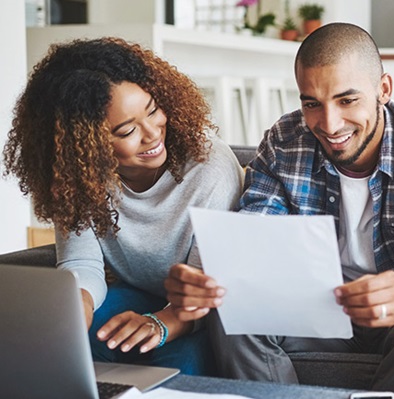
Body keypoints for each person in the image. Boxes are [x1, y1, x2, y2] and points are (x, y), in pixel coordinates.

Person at [164, 22, 394, 395]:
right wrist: (206, 281)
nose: (329, 124)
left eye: (347, 100)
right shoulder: (285, 142)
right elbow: (254, 238)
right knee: (229, 312)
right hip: (321, 313)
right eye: (311, 104)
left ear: (383, 89)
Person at [2, 37, 244, 375]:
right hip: (131, 294)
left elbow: (205, 285)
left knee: (184, 367)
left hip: (197, 312)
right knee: (67, 351)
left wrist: (160, 324)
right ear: (84, 143)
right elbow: (82, 263)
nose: (152, 134)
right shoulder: (78, 176)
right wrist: (77, 306)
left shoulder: (209, 166)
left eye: (153, 110)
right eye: (127, 130)